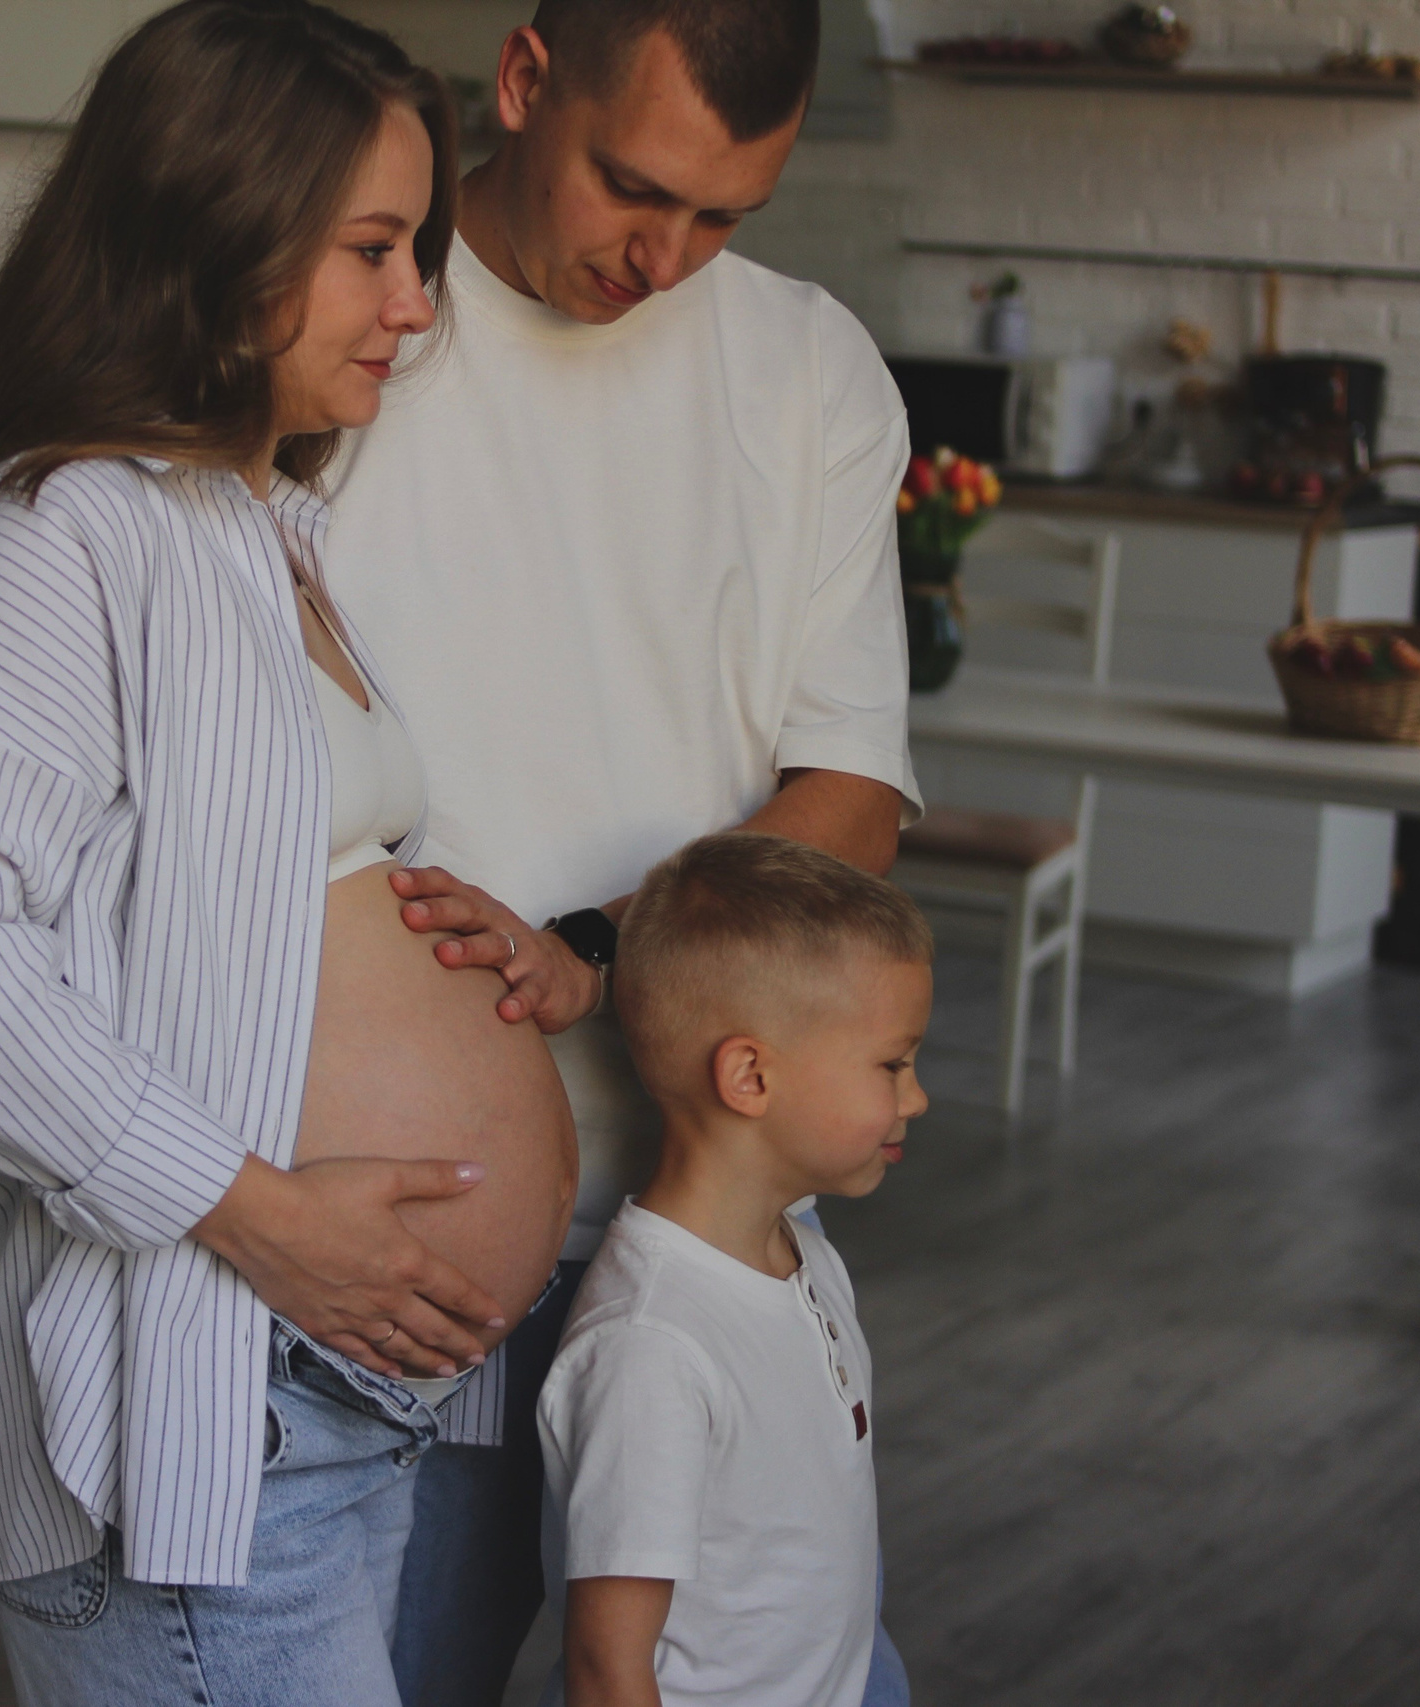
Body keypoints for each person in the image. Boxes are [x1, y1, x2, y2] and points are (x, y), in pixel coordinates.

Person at [0, 6, 578, 1703]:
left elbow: (253, 906)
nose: (418, 303)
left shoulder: (268, 532)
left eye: (423, 251)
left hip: (337, 1405)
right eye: (376, 249)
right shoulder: (49, 539)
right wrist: (252, 1214)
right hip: (205, 1412)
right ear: (218, 233)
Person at [320, 2, 922, 1700]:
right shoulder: (361, 321)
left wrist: (596, 942)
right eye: (634, 187)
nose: (666, 256)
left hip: (706, 1230)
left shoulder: (809, 374)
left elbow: (852, 802)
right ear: (524, 83)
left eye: (726, 215)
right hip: (408, 1250)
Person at [539, 833, 934, 1707]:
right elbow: (608, 1671)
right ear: (750, 1076)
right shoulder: (652, 1348)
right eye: (893, 1064)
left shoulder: (805, 1253)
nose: (917, 1096)